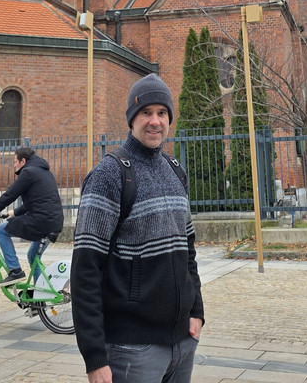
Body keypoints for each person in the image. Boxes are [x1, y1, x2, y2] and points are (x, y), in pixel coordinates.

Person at [71, 73, 204, 383]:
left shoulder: (175, 171)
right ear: (131, 119)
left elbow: (189, 252)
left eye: (161, 113)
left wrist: (196, 309)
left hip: (182, 342)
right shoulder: (109, 175)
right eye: (145, 112)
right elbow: (85, 270)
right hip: (131, 349)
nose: (154, 121)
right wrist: (94, 356)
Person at [0, 145, 64, 286]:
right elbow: (36, 201)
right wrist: (15, 212)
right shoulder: (43, 171)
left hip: (41, 221)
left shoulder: (28, 172)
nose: (14, 165)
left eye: (15, 161)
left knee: (1, 231)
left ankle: (15, 271)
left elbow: (8, 196)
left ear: (23, 161)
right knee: (32, 257)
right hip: (53, 221)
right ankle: (39, 298)